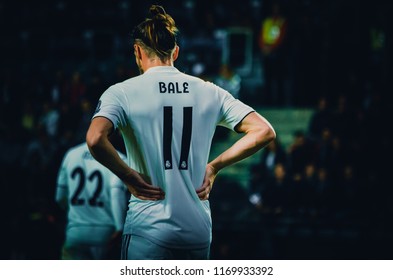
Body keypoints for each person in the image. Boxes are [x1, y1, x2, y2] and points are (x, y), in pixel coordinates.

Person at [86, 5, 276, 260]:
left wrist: (128, 176)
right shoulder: (210, 91)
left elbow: (95, 138)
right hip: (197, 230)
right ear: (175, 52)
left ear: (137, 52)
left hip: (148, 226)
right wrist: (215, 167)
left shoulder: (121, 92)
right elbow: (264, 131)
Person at [55, 141, 128, 260]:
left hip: (75, 232)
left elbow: (59, 197)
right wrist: (120, 227)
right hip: (105, 234)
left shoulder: (71, 154)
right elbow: (116, 194)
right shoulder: (119, 158)